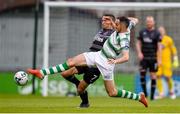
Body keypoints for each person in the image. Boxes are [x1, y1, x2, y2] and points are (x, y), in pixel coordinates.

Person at [28, 16, 148, 107]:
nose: (114, 25)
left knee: (112, 92)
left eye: (116, 24)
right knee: (71, 62)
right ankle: (42, 73)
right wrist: (126, 20)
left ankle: (139, 97)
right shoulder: (126, 26)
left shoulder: (123, 39)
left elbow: (126, 57)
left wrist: (115, 61)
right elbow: (134, 20)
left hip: (106, 63)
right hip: (97, 55)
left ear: (121, 26)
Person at [61, 14, 115, 108]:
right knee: (65, 73)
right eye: (102, 20)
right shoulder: (101, 31)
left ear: (112, 22)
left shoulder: (114, 34)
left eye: (106, 20)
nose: (103, 21)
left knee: (80, 90)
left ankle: (85, 103)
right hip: (87, 59)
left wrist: (117, 22)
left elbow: (129, 23)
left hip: (96, 66)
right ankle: (78, 84)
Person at [136, 16, 162, 100]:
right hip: (144, 58)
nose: (149, 23)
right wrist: (139, 53)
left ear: (153, 22)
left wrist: (159, 59)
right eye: (147, 21)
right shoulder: (142, 32)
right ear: (146, 22)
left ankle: (152, 96)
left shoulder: (157, 33)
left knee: (153, 75)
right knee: (142, 75)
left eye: (150, 21)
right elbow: (138, 43)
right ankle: (145, 94)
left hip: (153, 58)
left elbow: (159, 47)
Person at [155, 26, 179, 99]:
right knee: (157, 76)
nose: (160, 32)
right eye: (159, 31)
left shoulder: (168, 39)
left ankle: (171, 92)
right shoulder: (155, 40)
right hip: (157, 61)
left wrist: (175, 59)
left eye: (162, 30)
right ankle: (161, 93)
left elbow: (173, 50)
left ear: (164, 31)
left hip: (166, 62)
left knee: (168, 77)